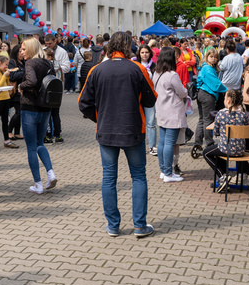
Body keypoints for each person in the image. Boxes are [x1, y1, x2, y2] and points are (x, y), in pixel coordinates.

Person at [79, 31, 158, 238]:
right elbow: (151, 100)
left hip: (106, 130)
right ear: (127, 47)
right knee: (138, 176)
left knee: (108, 178)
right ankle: (140, 225)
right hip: (133, 129)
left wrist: (99, 118)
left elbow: (83, 103)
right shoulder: (138, 69)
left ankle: (113, 225)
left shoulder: (96, 70)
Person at [17, 38, 58, 194]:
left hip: (30, 108)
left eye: (23, 49)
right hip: (45, 108)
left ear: (31, 49)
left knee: (31, 147)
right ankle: (50, 172)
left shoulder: (30, 64)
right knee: (40, 143)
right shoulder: (47, 63)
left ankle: (38, 184)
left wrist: (21, 86)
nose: (21, 52)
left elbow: (31, 81)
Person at [204, 89, 249, 190]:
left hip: (226, 149)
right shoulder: (243, 115)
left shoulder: (221, 114)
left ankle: (223, 176)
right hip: (241, 150)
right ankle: (225, 178)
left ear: (228, 101)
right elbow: (247, 129)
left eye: (224, 98)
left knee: (206, 153)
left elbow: (216, 132)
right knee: (219, 151)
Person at [151, 47, 187, 182]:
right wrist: (186, 92)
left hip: (161, 111)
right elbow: (182, 92)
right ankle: (168, 173)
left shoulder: (156, 73)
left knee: (162, 142)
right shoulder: (172, 75)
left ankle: (163, 170)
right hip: (172, 113)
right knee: (169, 144)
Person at [194, 48, 226, 151]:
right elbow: (216, 85)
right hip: (207, 95)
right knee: (207, 120)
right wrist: (227, 90)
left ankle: (198, 143)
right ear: (207, 56)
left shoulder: (206, 67)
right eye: (211, 57)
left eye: (215, 57)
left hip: (202, 94)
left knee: (202, 120)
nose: (213, 59)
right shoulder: (207, 68)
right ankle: (209, 144)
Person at [0, 53, 18, 150]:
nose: (7, 67)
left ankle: (7, 140)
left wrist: (8, 76)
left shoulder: (2, 72)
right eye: (6, 64)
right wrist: (5, 76)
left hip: (6, 98)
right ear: (0, 63)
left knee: (5, 121)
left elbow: (5, 83)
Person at [44, 34, 70, 143]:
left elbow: (67, 67)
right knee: (48, 111)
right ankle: (50, 132)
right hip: (46, 86)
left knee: (55, 111)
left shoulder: (62, 52)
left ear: (55, 41)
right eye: (46, 44)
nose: (48, 45)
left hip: (57, 86)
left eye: (50, 43)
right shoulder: (43, 51)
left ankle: (56, 133)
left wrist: (55, 67)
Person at [134, 45, 157, 155]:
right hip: (137, 97)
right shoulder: (135, 65)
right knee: (138, 122)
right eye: (142, 52)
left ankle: (152, 147)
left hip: (149, 98)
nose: (144, 54)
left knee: (151, 123)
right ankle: (139, 146)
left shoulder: (154, 66)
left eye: (146, 52)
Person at [6, 44, 25, 142]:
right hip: (15, 91)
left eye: (22, 51)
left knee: (20, 112)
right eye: (20, 52)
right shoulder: (12, 62)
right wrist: (24, 72)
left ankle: (17, 132)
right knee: (19, 112)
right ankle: (9, 131)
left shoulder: (24, 62)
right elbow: (12, 76)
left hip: (22, 90)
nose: (22, 53)